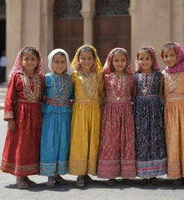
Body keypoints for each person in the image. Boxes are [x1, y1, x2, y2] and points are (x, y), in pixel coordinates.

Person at [0, 46, 44, 189]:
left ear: (38, 61)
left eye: (33, 59)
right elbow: (9, 98)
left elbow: (43, 97)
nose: (30, 62)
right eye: (26, 59)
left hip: (36, 115)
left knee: (31, 144)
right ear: (21, 60)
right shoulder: (16, 77)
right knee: (21, 144)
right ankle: (19, 176)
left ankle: (26, 175)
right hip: (21, 116)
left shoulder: (41, 78)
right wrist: (10, 118)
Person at [161, 42, 184, 185]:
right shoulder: (164, 74)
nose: (169, 58)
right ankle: (175, 174)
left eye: (172, 55)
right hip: (169, 111)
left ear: (179, 55)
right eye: (166, 56)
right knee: (172, 141)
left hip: (183, 110)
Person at [98, 48, 136, 186]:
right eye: (116, 60)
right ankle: (110, 174)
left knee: (126, 141)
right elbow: (101, 94)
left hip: (126, 113)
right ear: (111, 61)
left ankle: (126, 173)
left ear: (127, 61)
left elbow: (134, 94)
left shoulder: (131, 77)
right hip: (110, 114)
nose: (119, 63)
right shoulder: (105, 77)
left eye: (122, 60)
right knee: (111, 141)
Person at [68, 45, 103, 188]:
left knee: (93, 140)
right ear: (78, 59)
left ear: (94, 59)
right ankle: (80, 174)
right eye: (83, 58)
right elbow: (69, 93)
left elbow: (102, 93)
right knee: (80, 141)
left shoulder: (99, 75)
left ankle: (89, 171)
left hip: (95, 112)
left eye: (89, 58)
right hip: (80, 113)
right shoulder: (74, 75)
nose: (86, 61)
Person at [40, 49, 73, 187]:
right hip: (50, 115)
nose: (59, 65)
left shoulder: (71, 79)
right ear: (50, 63)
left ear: (66, 63)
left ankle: (58, 173)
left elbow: (72, 96)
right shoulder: (46, 78)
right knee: (50, 143)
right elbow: (40, 97)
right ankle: (49, 175)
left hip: (65, 114)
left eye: (62, 62)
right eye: (56, 62)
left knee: (63, 143)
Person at [133, 46, 167, 185]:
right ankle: (143, 173)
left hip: (155, 112)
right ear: (137, 60)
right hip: (139, 111)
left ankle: (154, 174)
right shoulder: (135, 76)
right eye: (141, 59)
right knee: (142, 140)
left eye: (148, 58)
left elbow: (161, 94)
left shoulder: (159, 76)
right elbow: (133, 94)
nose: (144, 61)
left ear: (153, 60)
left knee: (155, 139)